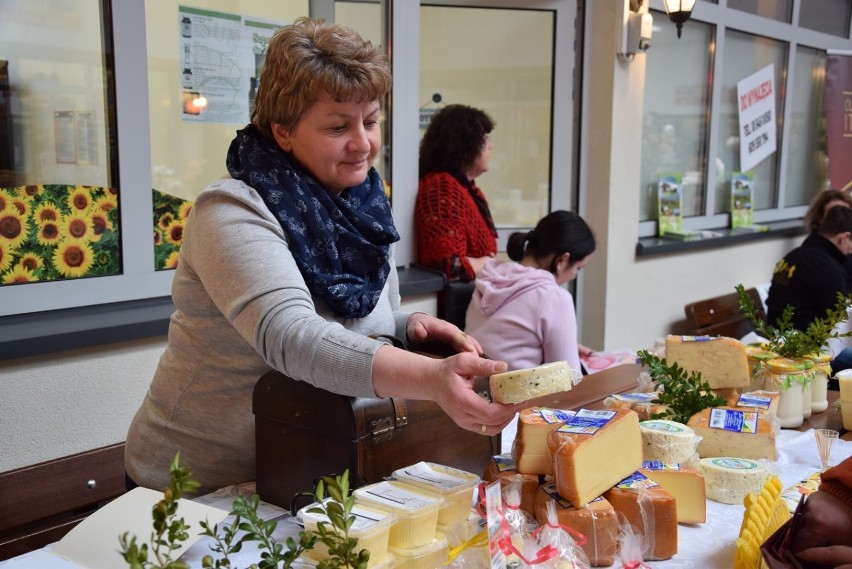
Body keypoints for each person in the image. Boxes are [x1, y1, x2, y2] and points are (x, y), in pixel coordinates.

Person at [124, 18, 519, 495]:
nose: (363, 143)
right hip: (202, 484)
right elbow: (292, 336)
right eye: (338, 126)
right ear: (283, 131)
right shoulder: (230, 211)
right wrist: (433, 378)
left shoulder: (365, 206)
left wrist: (403, 325)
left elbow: (361, 314)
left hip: (310, 467)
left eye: (370, 121)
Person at [464, 210, 596, 372]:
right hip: (514, 394)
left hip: (470, 386)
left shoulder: (490, 277)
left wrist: (565, 344)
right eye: (578, 268)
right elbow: (569, 377)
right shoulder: (553, 297)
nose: (575, 275)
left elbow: (506, 341)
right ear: (563, 259)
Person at [415, 104, 498, 281]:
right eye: (484, 139)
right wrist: (486, 264)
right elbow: (449, 264)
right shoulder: (441, 187)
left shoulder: (468, 190)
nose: (490, 146)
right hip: (453, 306)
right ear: (465, 144)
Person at [766, 205, 852, 332]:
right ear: (844, 237)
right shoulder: (828, 268)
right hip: (804, 346)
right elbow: (838, 320)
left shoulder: (794, 255)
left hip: (776, 336)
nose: (851, 250)